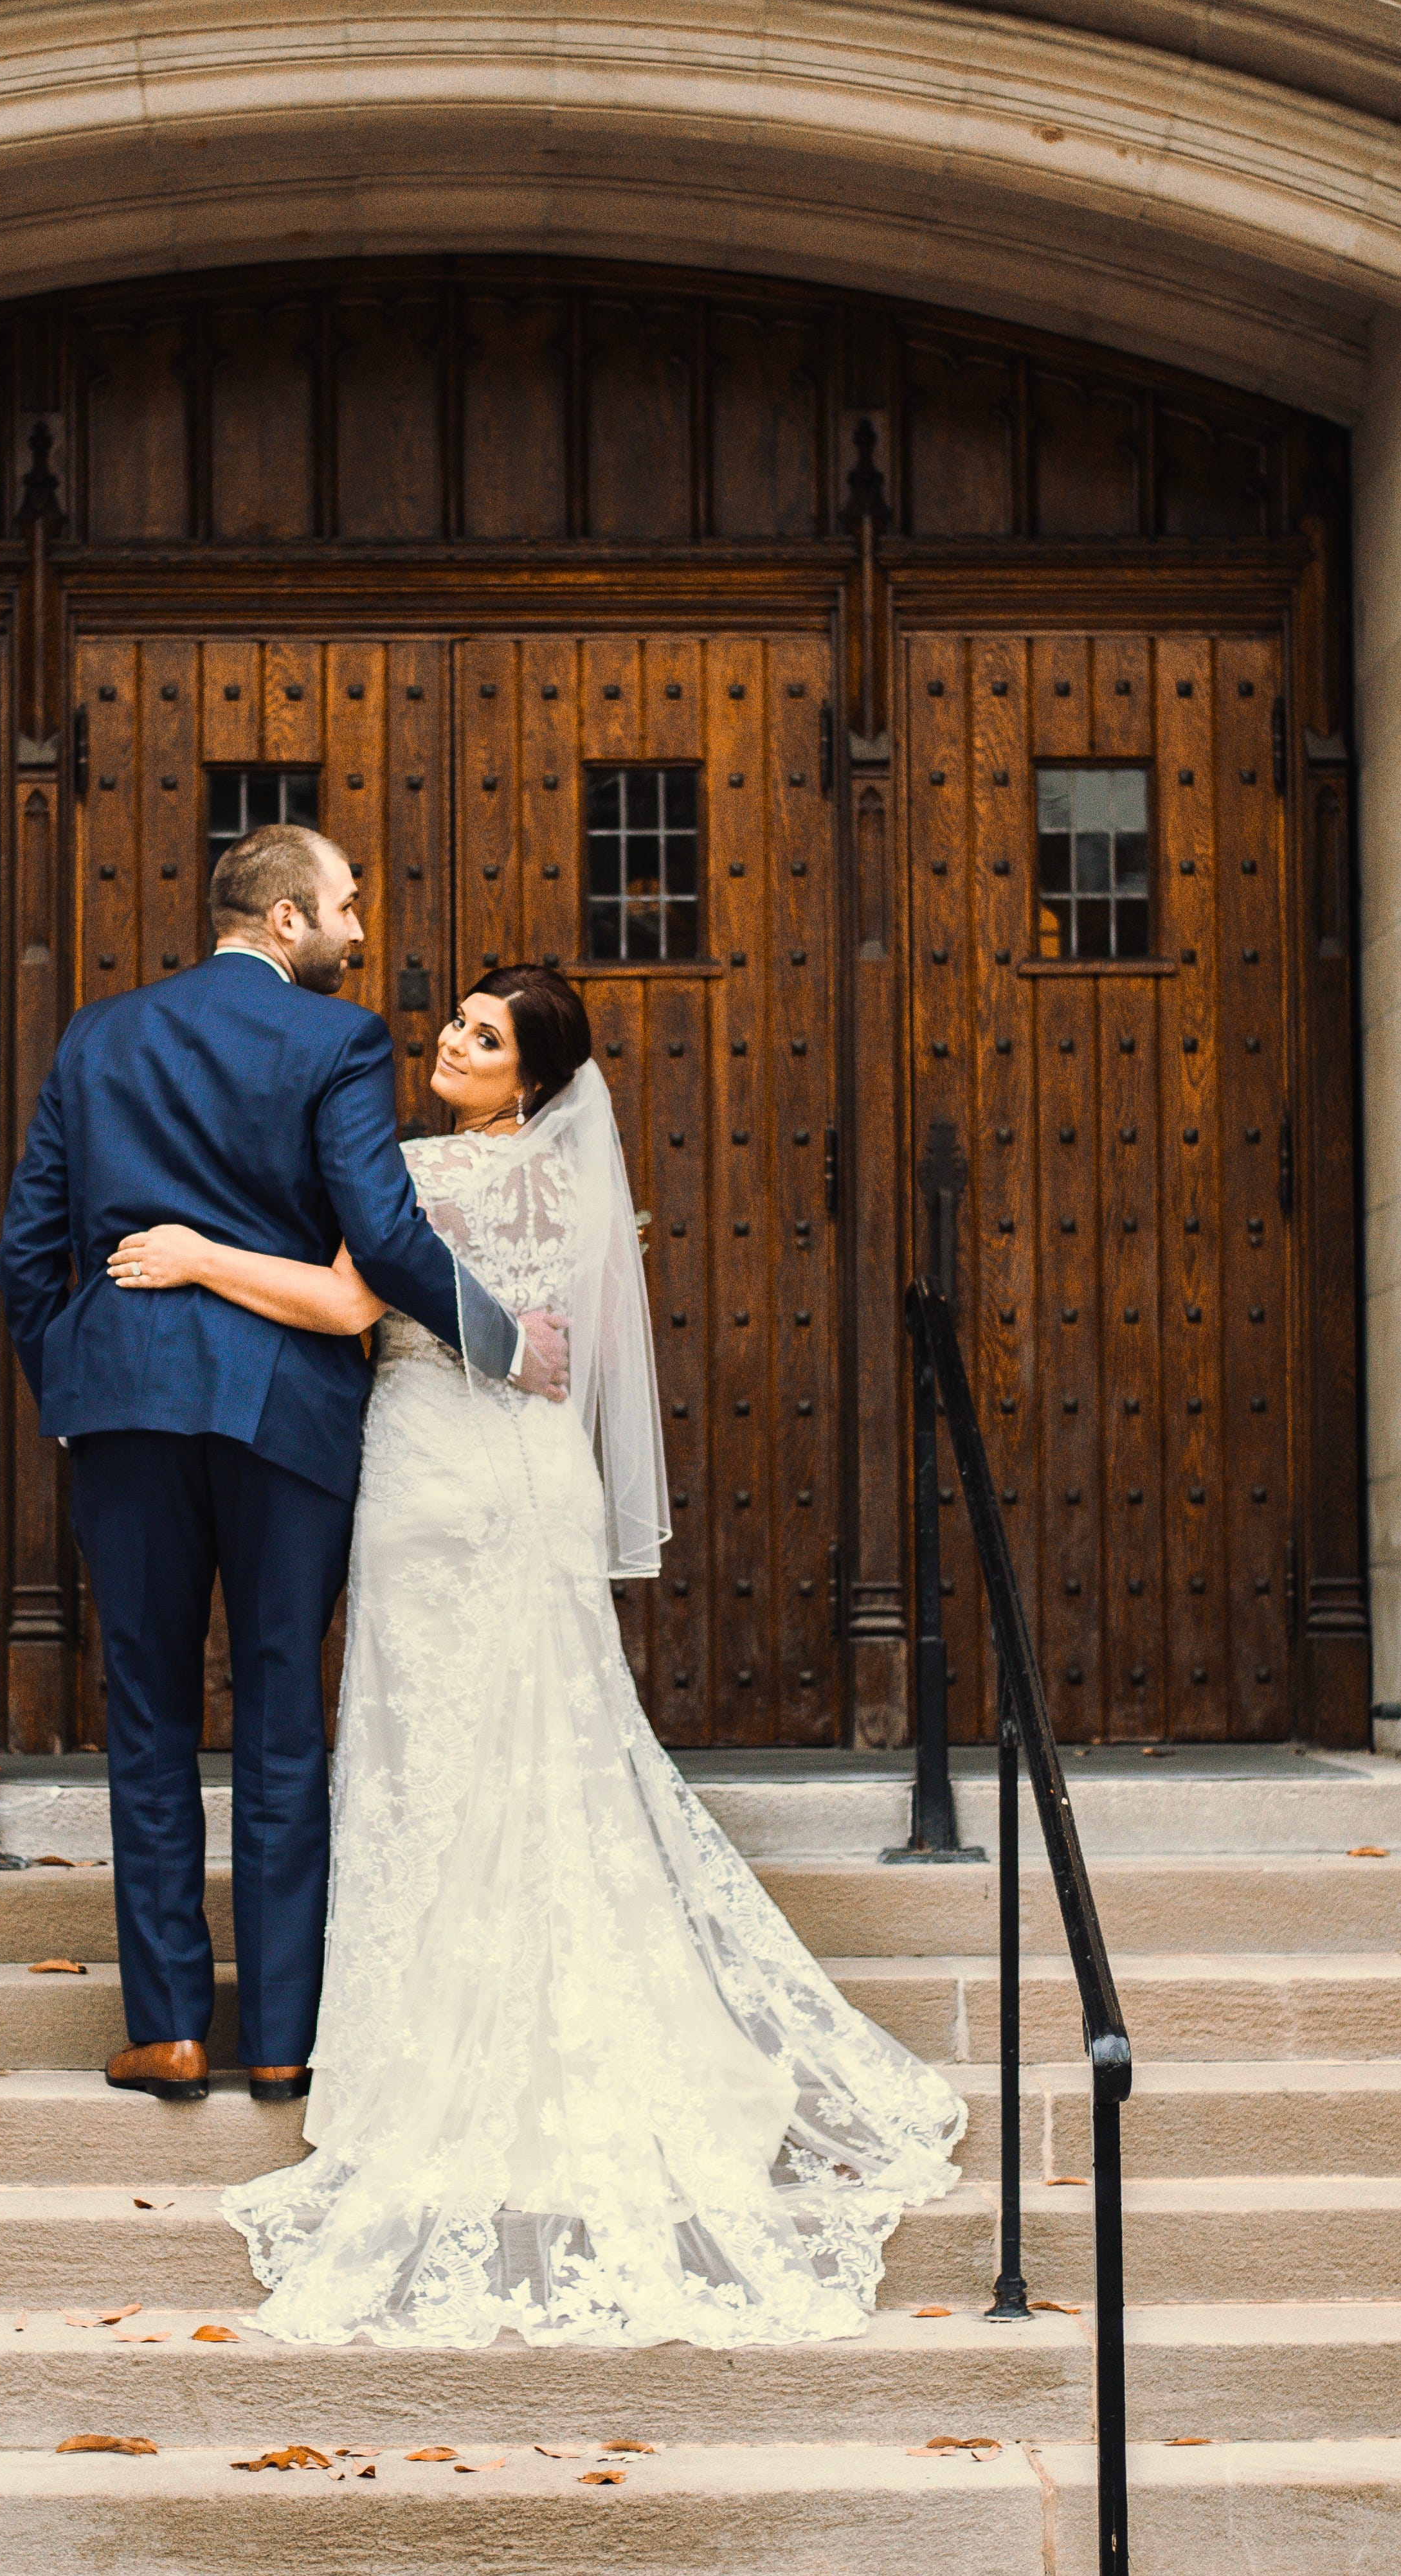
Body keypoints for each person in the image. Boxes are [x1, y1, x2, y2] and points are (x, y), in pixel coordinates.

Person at [100, 964, 967, 2349]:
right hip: (536, 1474)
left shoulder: (405, 1168)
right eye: (457, 1021)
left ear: (534, 1084)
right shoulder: (568, 1193)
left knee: (424, 1761)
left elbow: (344, 1305)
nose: (451, 1040)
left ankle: (410, 2066)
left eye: (485, 1038)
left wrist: (194, 1256)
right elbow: (547, 1350)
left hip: (433, 1479)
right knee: (548, 1761)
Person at [0, 826, 565, 2109]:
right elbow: (380, 1228)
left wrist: (81, 1379)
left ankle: (170, 2030)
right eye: (346, 907)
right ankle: (281, 2041)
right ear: (280, 920)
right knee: (277, 1719)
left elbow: (26, 1253)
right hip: (286, 1417)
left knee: (144, 1716)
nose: (360, 933)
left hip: (127, 1408)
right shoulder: (338, 1040)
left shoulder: (96, 1036)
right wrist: (501, 1340)